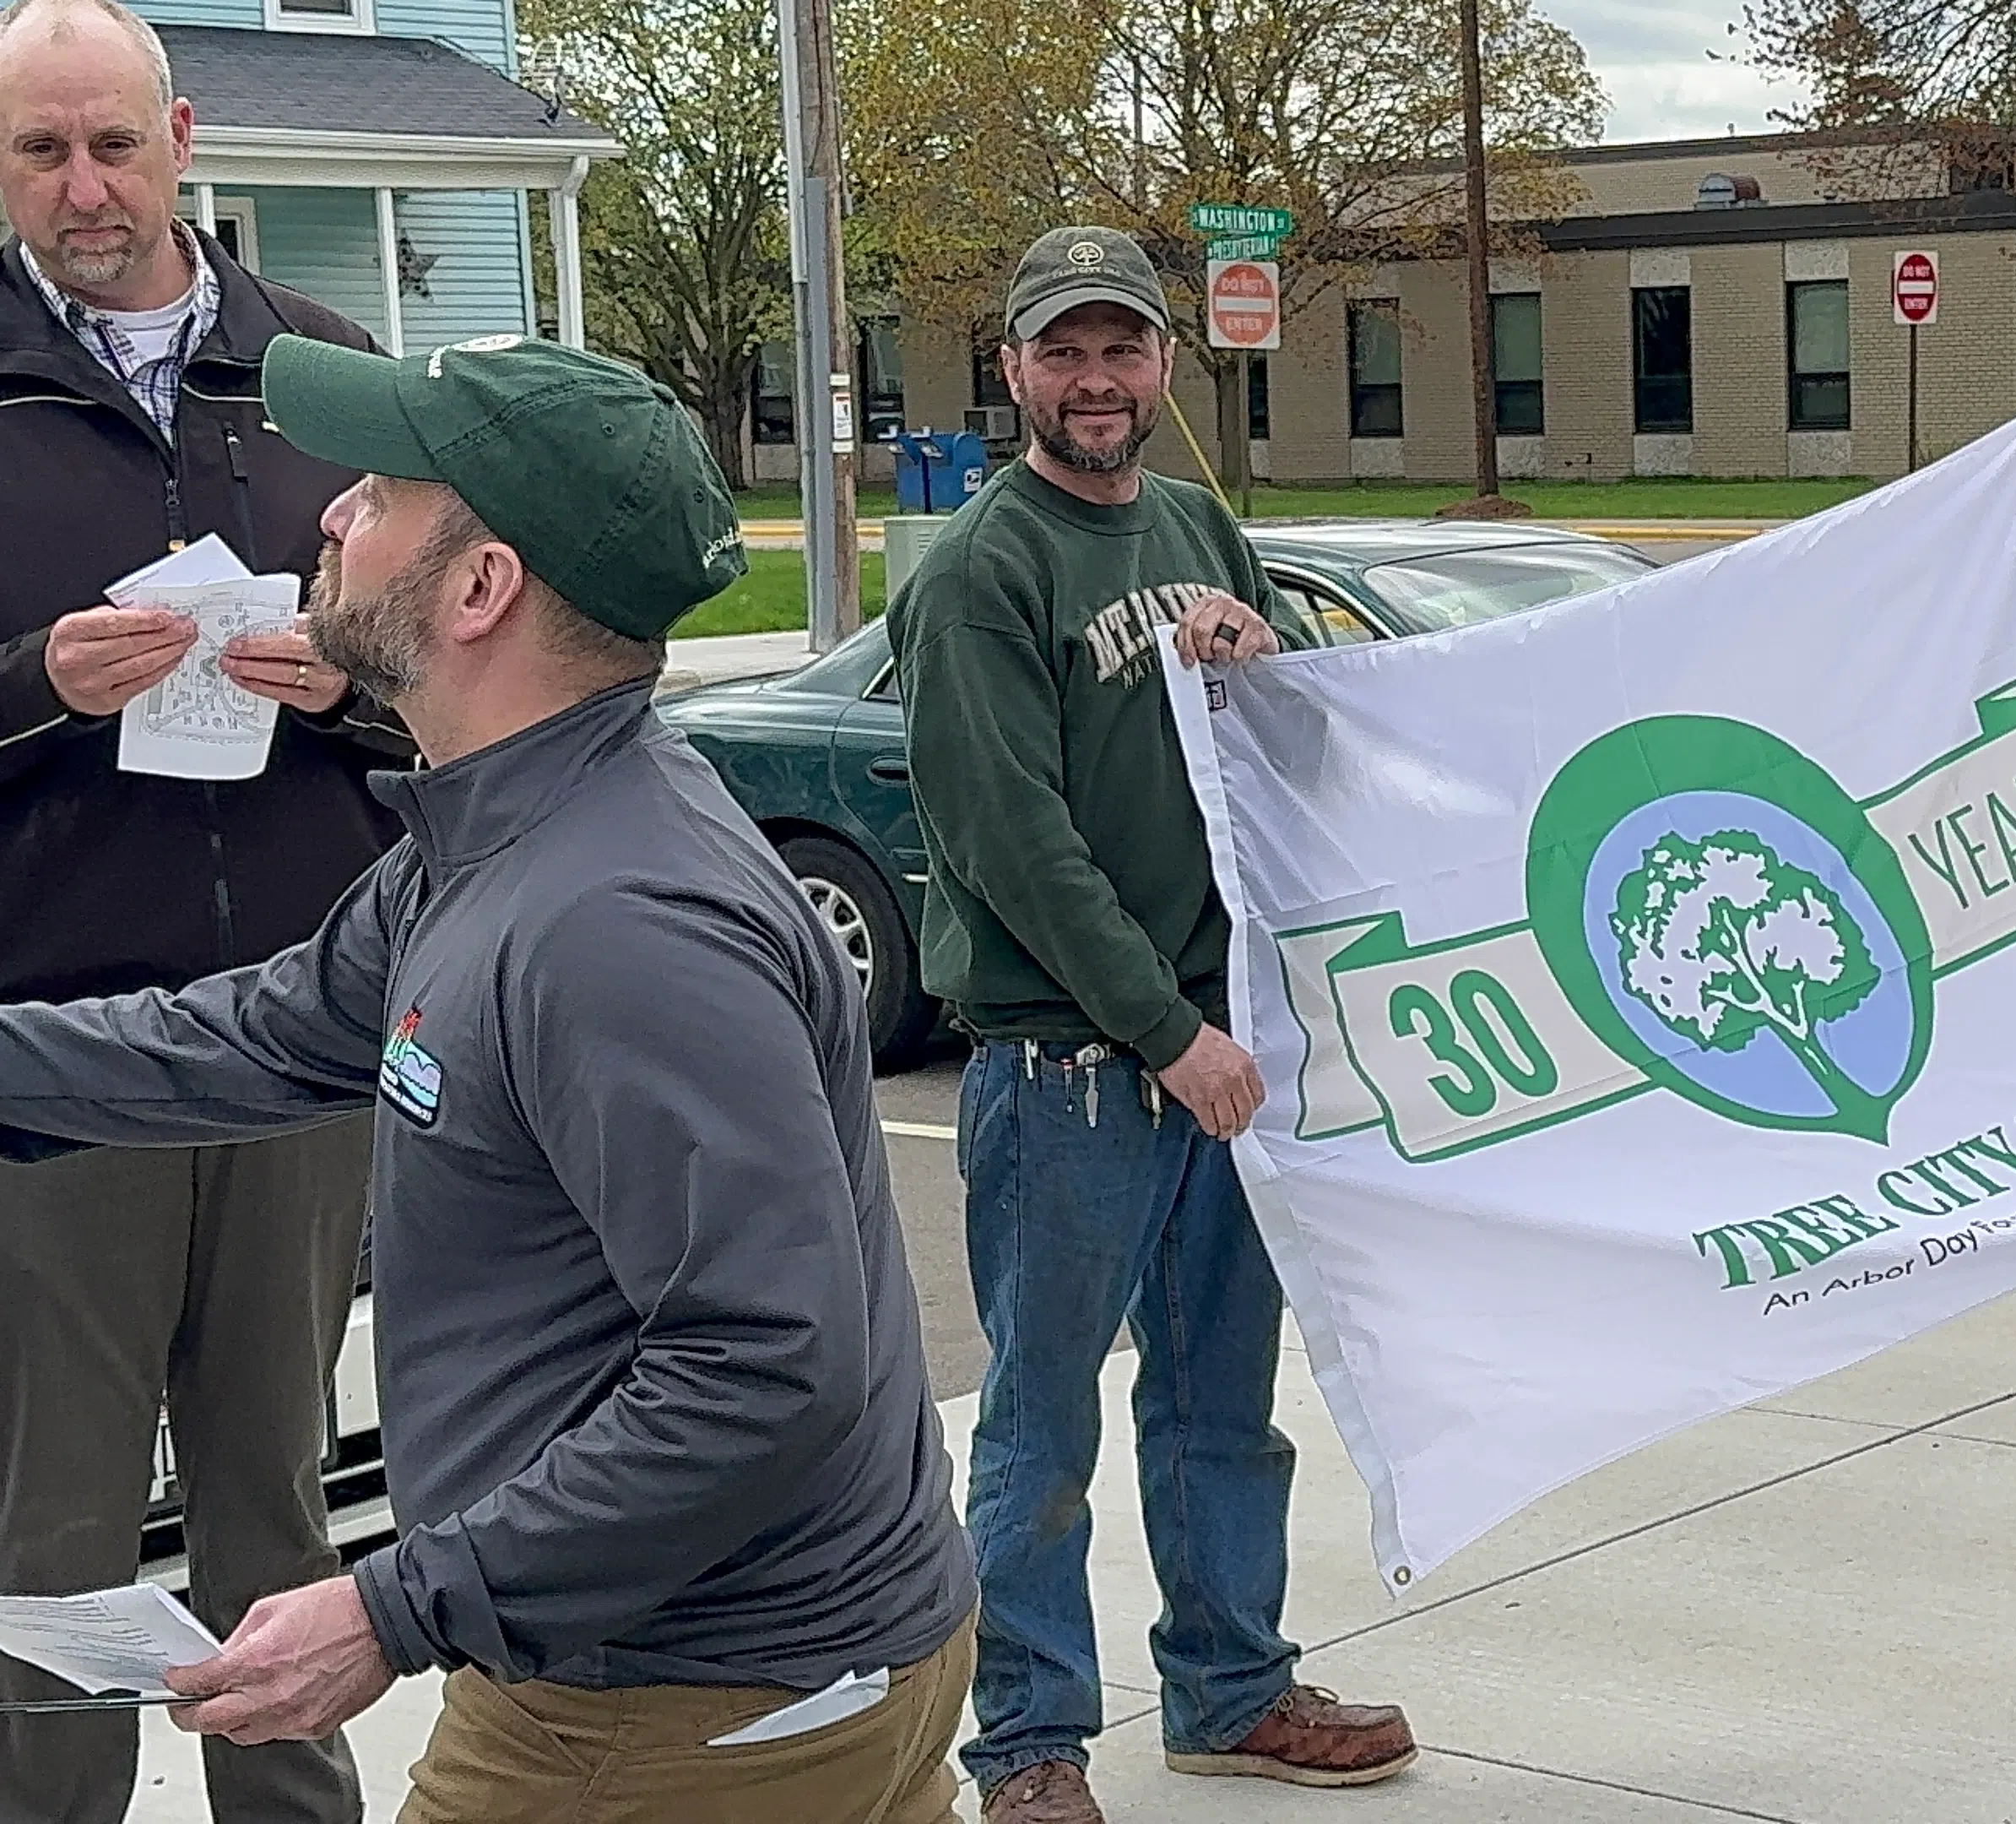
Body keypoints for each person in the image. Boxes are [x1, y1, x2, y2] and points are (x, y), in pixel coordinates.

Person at [0, 334, 979, 1823]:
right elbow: (254, 1037)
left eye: (380, 492)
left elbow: (765, 1362)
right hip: (657, 1672)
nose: (327, 513)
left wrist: (393, 1607)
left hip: (687, 1707)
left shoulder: (618, 921)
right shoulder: (500, 828)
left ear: (479, 588)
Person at [886, 225, 1412, 1824]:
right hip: (1073, 1074)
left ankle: (1230, 1690)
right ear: (1016, 367)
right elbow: (1014, 844)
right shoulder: (984, 569)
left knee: (1219, 1407)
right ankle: (1029, 1748)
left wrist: (1262, 665)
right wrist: (1159, 1033)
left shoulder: (1196, 522)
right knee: (1039, 1435)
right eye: (1065, 351)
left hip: (1218, 1053)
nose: (1095, 380)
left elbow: (1285, 764)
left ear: (1163, 364)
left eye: (1123, 349)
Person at [0, 4, 409, 1818]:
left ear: (180, 136)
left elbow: (453, 667)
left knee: (278, 1503)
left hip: (296, 1040)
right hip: (60, 1054)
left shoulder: (324, 376)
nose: (83, 188)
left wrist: (348, 688)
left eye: (109, 143)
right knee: (53, 1523)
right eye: (36, 152)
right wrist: (37, 679)